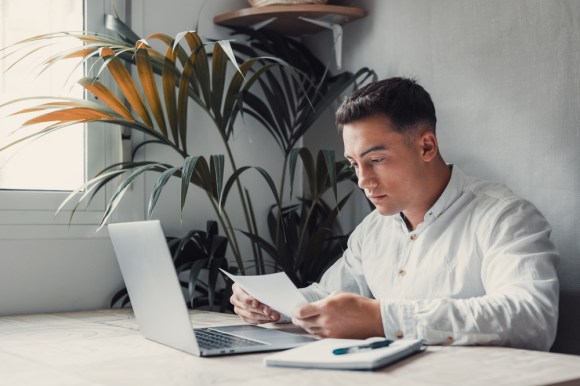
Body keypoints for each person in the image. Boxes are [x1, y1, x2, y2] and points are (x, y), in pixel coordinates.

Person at [229, 77, 560, 351]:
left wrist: (381, 319)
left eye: (376, 160)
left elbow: (532, 317)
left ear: (426, 146)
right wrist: (274, 305)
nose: (362, 181)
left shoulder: (505, 216)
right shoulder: (373, 229)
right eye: (354, 164)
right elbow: (328, 297)